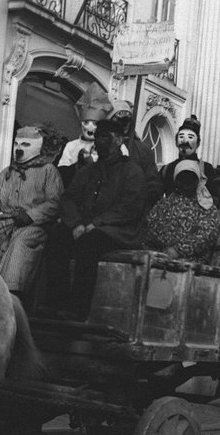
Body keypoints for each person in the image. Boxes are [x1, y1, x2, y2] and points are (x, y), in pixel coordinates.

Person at [43, 117, 147, 320]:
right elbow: (69, 197)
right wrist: (76, 223)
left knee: (88, 244)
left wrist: (96, 223)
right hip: (83, 226)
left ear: (118, 141)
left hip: (118, 231)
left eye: (106, 137)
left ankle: (77, 309)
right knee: (56, 238)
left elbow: (130, 207)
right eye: (98, 137)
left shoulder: (132, 171)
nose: (99, 141)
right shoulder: (88, 171)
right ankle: (55, 301)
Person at [0, 126, 63, 304]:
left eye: (26, 144)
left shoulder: (48, 171)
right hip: (6, 221)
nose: (19, 148)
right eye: (16, 143)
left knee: (21, 243)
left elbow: (55, 203)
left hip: (33, 226)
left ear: (38, 147)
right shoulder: (7, 173)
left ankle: (12, 295)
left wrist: (30, 215)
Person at [144, 160, 219, 262]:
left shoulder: (206, 205)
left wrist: (177, 250)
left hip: (192, 265)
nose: (186, 181)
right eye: (182, 177)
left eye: (191, 177)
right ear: (176, 179)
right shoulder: (164, 204)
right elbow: (149, 229)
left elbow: (207, 235)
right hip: (160, 260)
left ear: (197, 179)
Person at [109, 98, 164, 208]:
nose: (124, 125)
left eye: (127, 120)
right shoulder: (102, 145)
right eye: (119, 120)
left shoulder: (143, 150)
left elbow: (153, 186)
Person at [159, 115, 215, 199]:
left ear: (198, 143)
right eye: (181, 136)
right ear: (176, 142)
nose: (185, 141)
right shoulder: (166, 169)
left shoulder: (207, 169)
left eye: (190, 137)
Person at [57, 105, 106, 190]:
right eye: (86, 122)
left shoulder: (106, 146)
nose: (89, 126)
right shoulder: (71, 145)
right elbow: (62, 171)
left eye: (95, 123)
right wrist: (78, 165)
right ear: (81, 124)